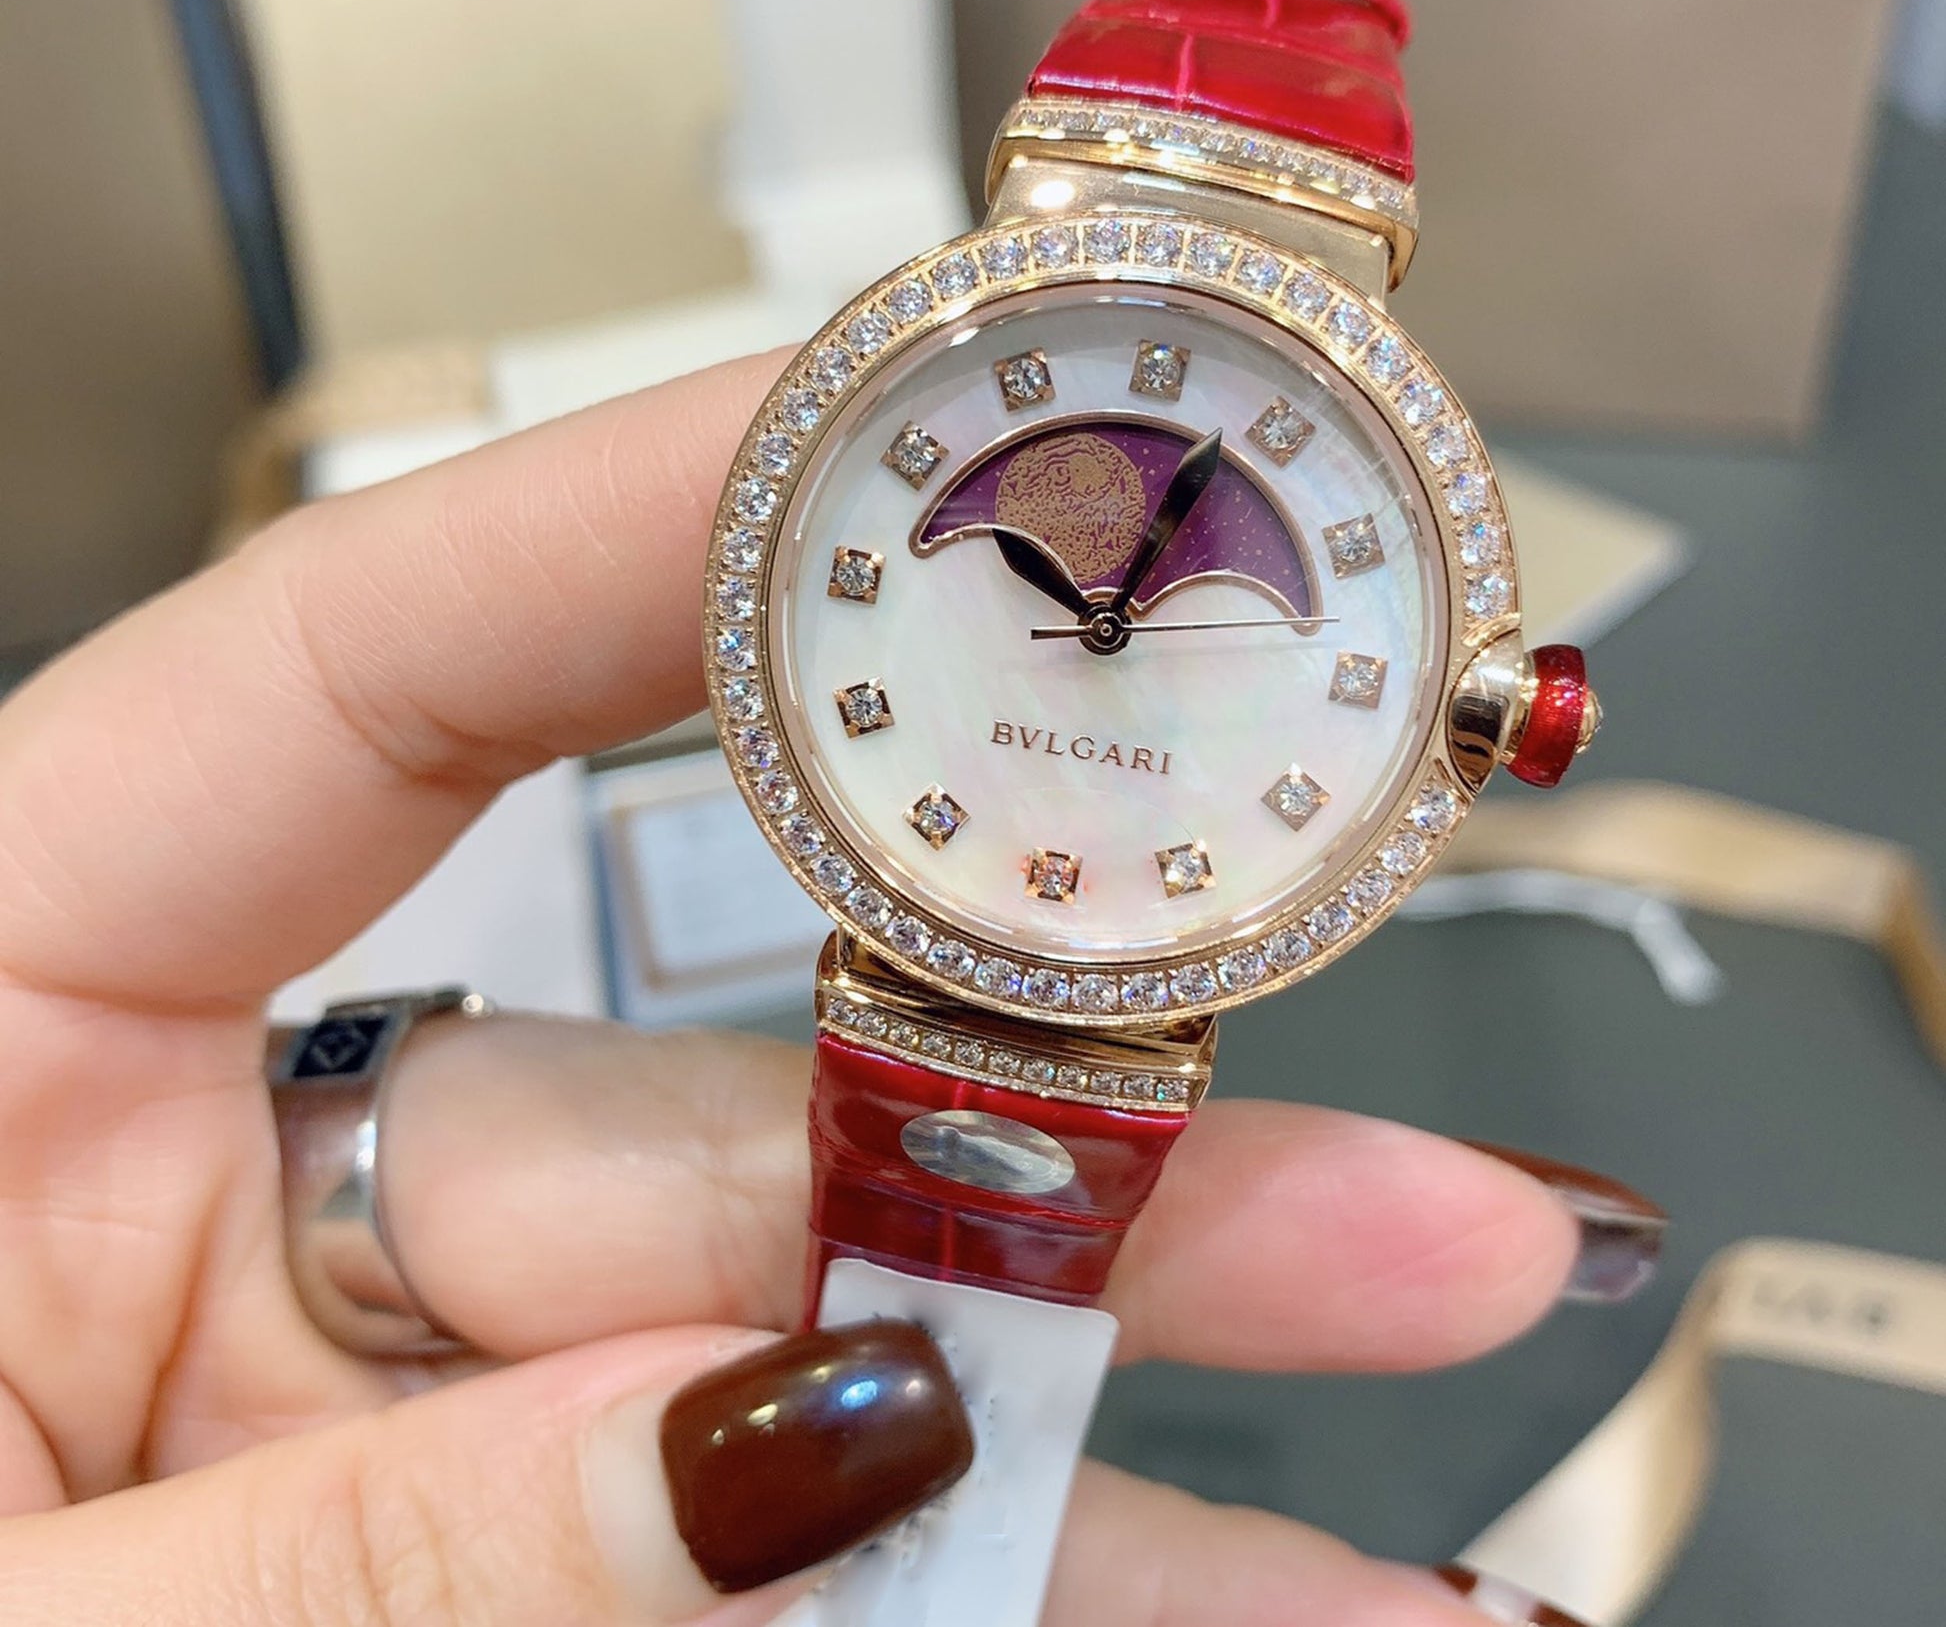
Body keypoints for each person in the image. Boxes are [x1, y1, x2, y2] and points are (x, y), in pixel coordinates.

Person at [0, 351, 1656, 1624]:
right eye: (1079, 605)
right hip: (924, 972)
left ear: (1510, 709)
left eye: (1125, 617)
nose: (1097, 634)